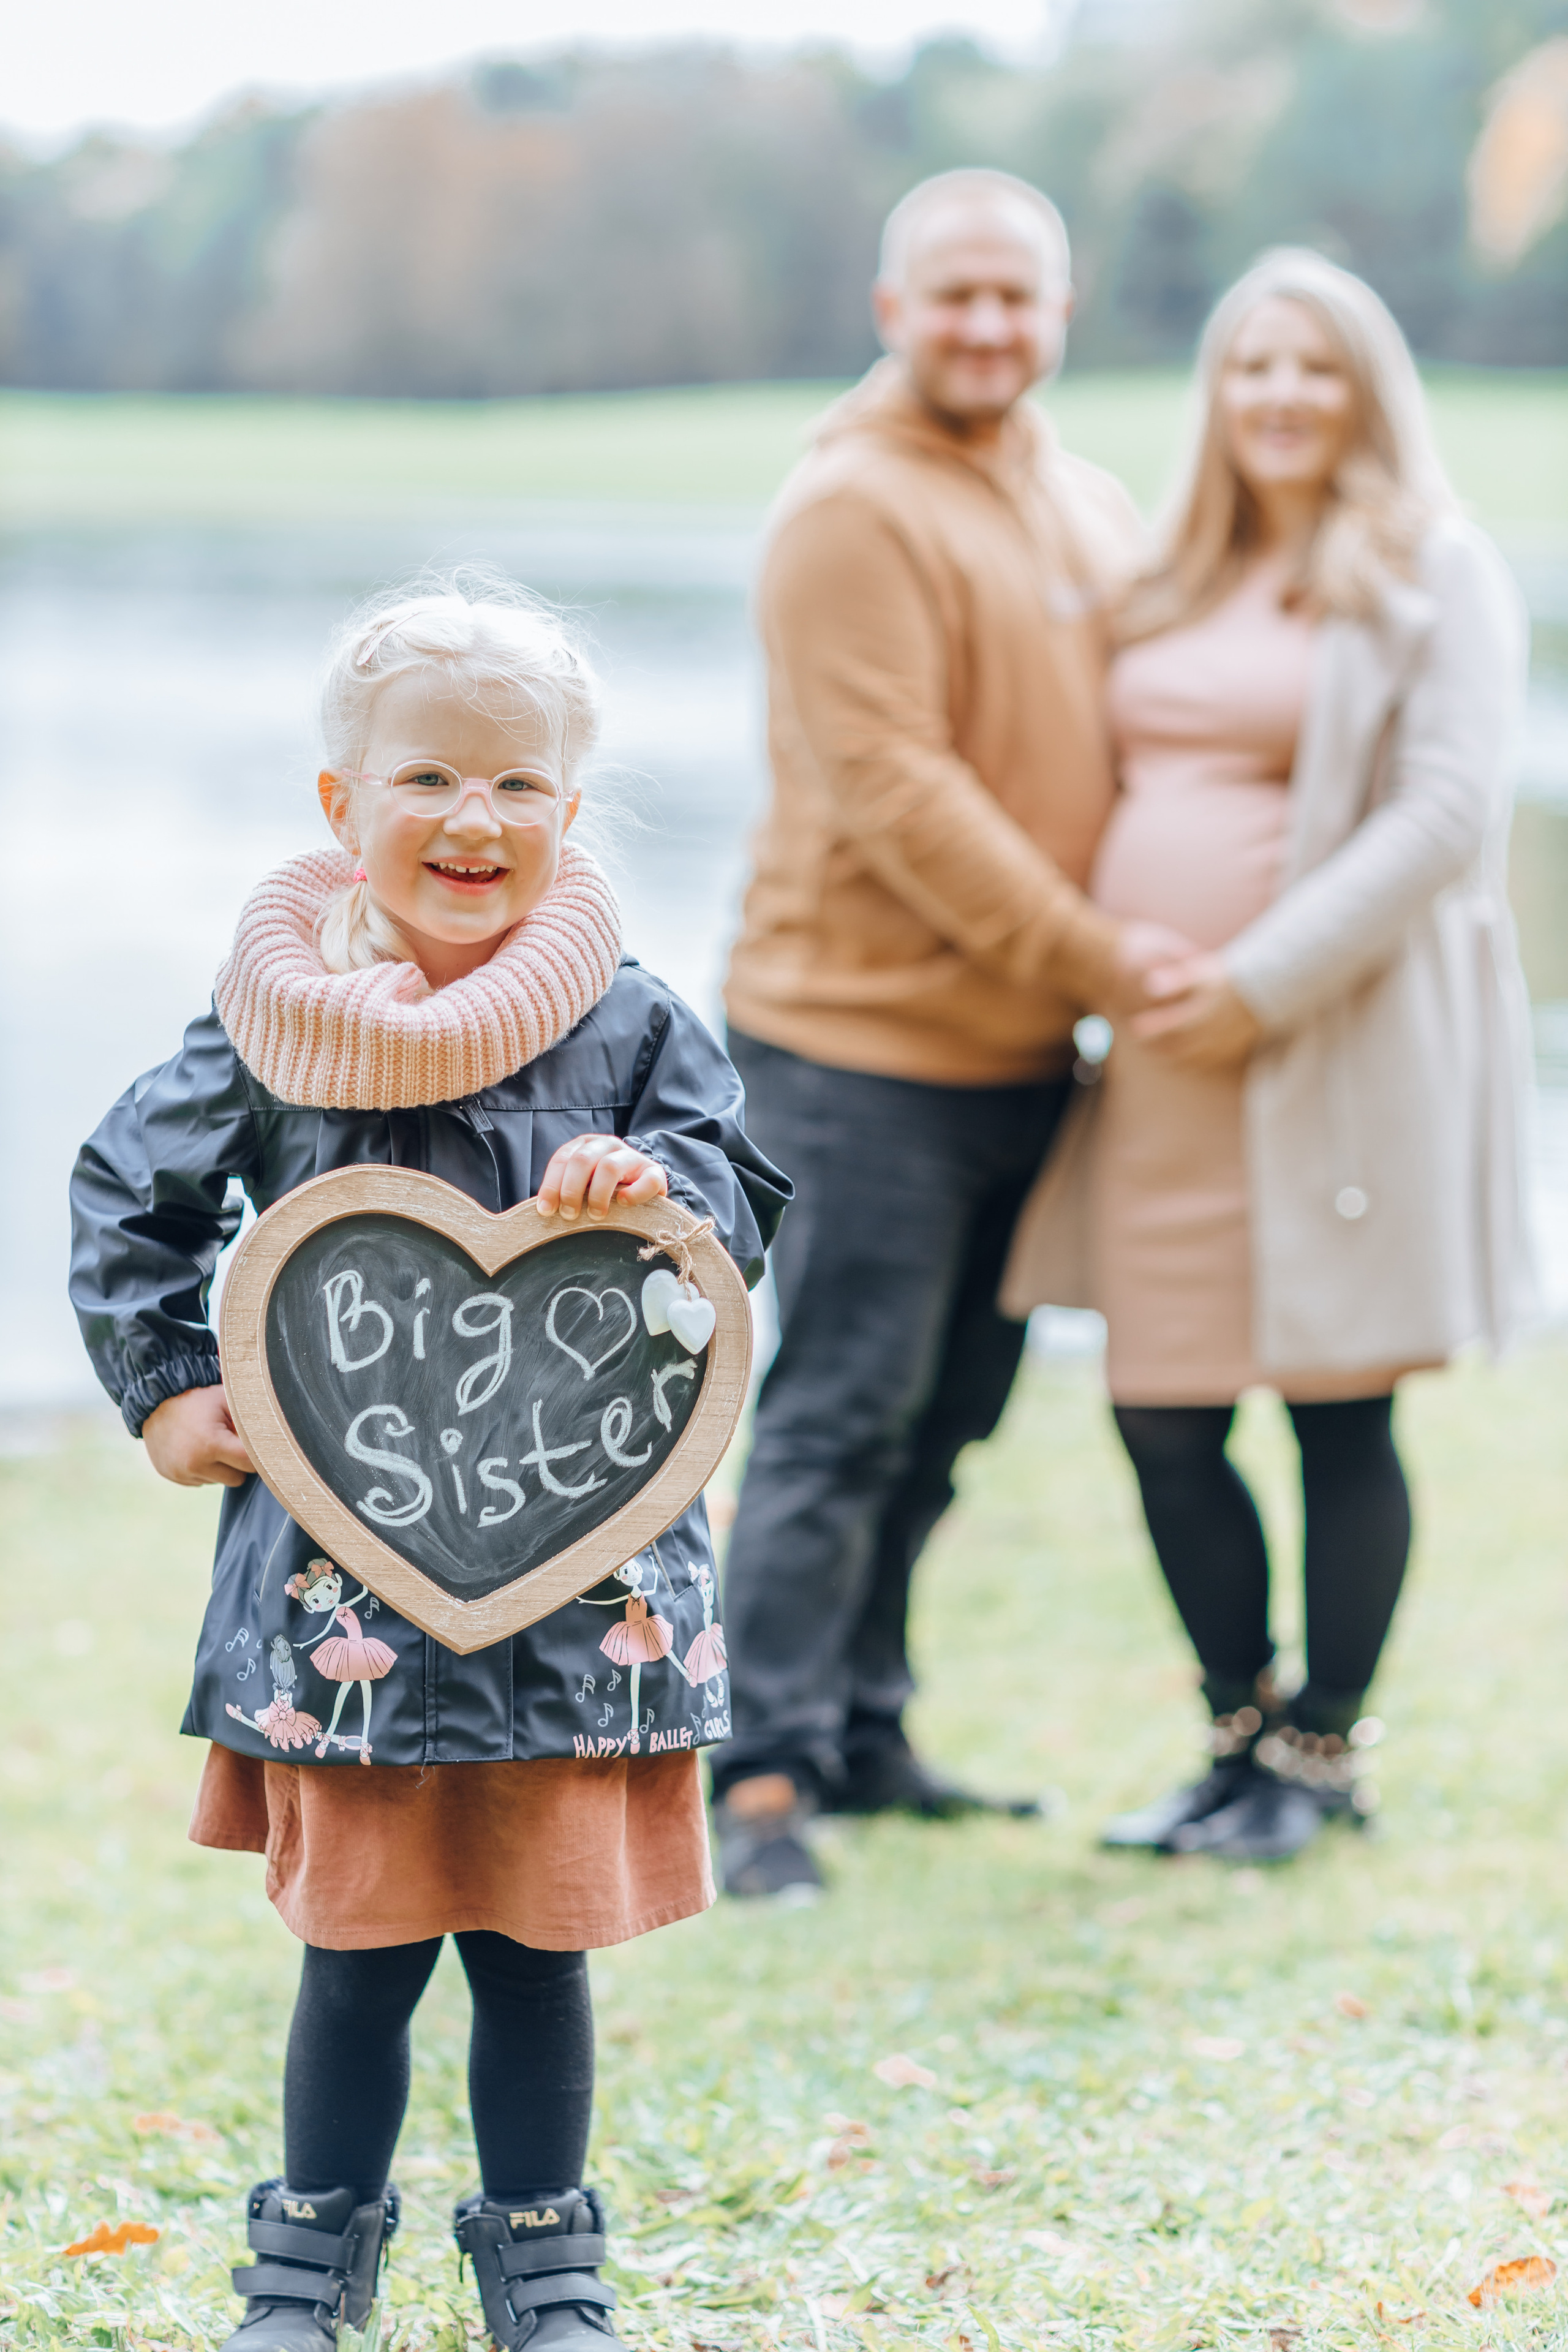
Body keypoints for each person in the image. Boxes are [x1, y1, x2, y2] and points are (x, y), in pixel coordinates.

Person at [69, 579, 789, 2352]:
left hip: (576, 1578)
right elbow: (127, 1200)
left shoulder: (629, 1027)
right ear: (344, 804)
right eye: (428, 781)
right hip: (346, 1592)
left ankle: (544, 2250)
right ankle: (313, 2247)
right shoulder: (275, 1020)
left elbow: (734, 1212)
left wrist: (658, 1201)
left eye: (520, 788)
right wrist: (172, 1388)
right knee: (365, 1947)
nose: (474, 821)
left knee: (537, 1949)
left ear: (570, 806)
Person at [1002, 248, 1535, 1864]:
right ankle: (1236, 1735)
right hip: (1163, 1070)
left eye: (1317, 368)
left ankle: (1320, 1756)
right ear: (1215, 394)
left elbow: (1449, 813)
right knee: (1161, 1407)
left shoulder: (1435, 569)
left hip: (1338, 1051)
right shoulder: (1166, 574)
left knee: (1336, 1409)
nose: (1283, 396)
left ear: (1368, 391)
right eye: (1253, 366)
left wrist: (1259, 980)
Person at [715, 167, 1177, 1898]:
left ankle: (864, 1721)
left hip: (1023, 1059)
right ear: (894, 306)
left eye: (1018, 295)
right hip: (853, 1059)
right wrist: (1104, 958)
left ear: (1058, 314)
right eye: (955, 293)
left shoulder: (1089, 501)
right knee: (835, 1416)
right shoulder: (848, 507)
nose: (988, 324)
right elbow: (902, 794)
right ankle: (760, 1777)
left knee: (948, 1422)